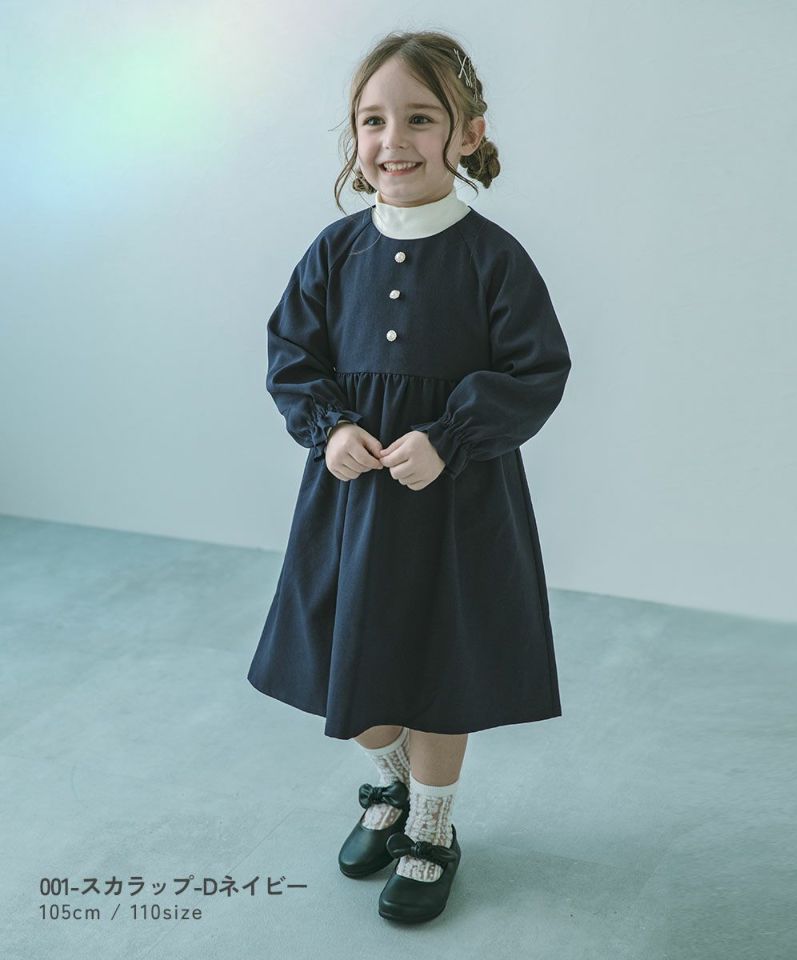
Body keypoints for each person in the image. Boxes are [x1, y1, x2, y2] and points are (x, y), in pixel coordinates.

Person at [247, 29, 572, 924]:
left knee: (437, 663)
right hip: (350, 504)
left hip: (457, 507)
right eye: (373, 120)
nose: (394, 140)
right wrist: (330, 427)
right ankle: (389, 786)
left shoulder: (493, 257)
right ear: (354, 136)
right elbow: (292, 355)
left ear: (467, 133)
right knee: (344, 658)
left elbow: (536, 370)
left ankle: (430, 827)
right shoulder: (334, 251)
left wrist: (451, 436)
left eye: (420, 118)